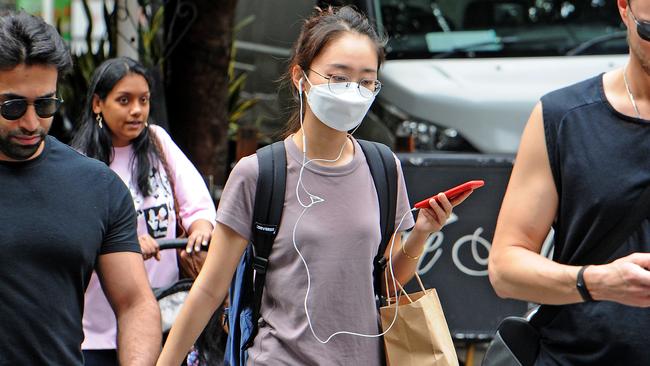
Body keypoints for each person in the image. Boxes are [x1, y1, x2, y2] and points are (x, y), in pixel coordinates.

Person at [157, 6, 474, 366]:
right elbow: (210, 289)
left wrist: (423, 232)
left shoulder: (383, 167)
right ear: (300, 77)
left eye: (366, 81)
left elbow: (384, 281)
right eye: (338, 78)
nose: (352, 91)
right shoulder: (259, 173)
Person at [488, 1, 650, 364]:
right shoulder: (564, 116)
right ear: (624, 9)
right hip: (577, 354)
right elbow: (505, 267)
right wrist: (595, 281)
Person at [0, 11, 161, 365]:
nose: (31, 122)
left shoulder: (97, 187)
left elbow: (135, 303)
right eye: (12, 106)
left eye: (45, 104)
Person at [70, 57, 217, 365]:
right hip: (98, 331)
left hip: (165, 317)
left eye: (144, 100)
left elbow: (195, 201)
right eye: (124, 101)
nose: (137, 110)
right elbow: (74, 238)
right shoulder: (79, 163)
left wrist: (200, 228)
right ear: (98, 103)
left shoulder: (158, 142)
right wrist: (123, 246)